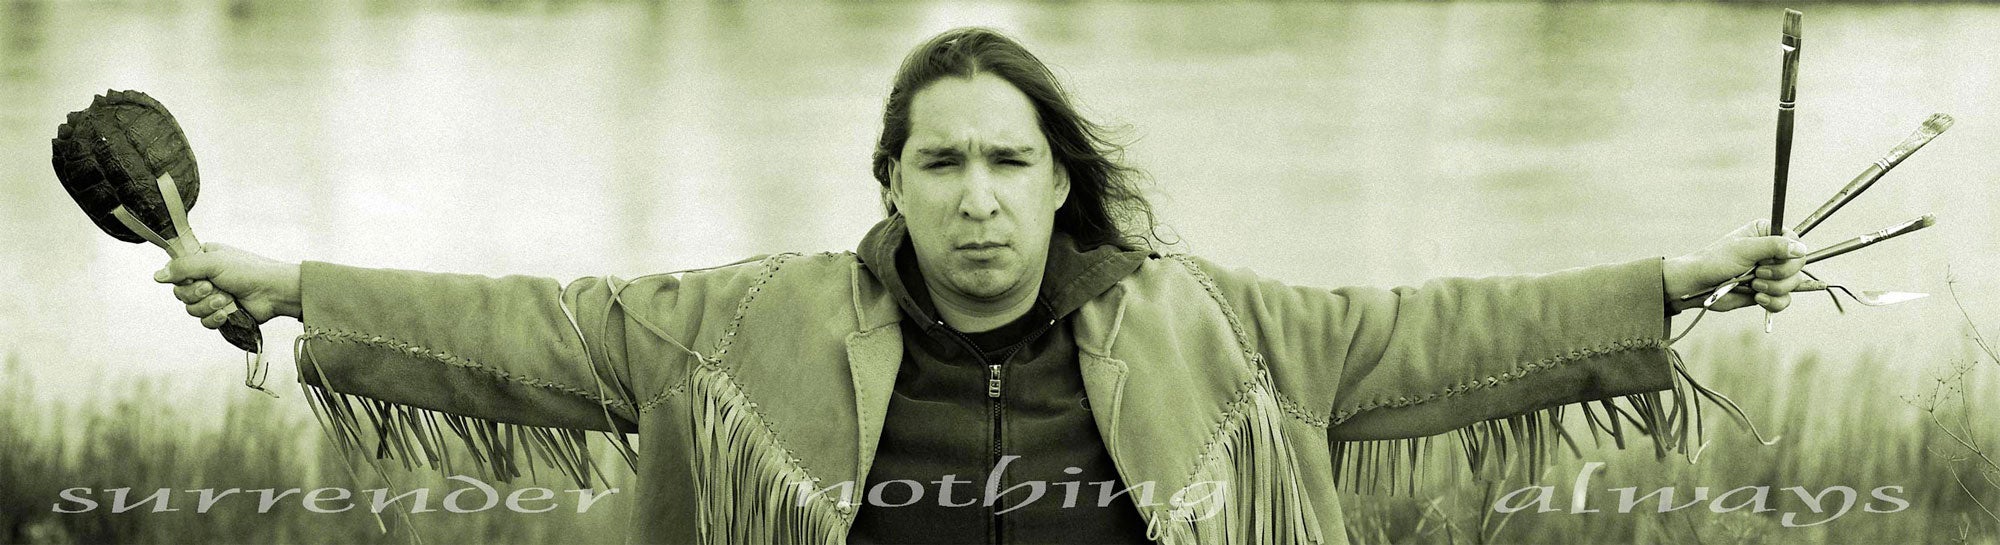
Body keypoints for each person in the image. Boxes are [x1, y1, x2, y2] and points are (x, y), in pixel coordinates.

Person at [154, 27, 1806, 545]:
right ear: (889, 182)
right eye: (939, 162)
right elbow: (534, 324)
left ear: (1061, 178)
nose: (977, 196)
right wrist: (285, 278)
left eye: (1009, 161)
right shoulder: (752, 323)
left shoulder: (1208, 322)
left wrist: (1678, 277)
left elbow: (1434, 332)